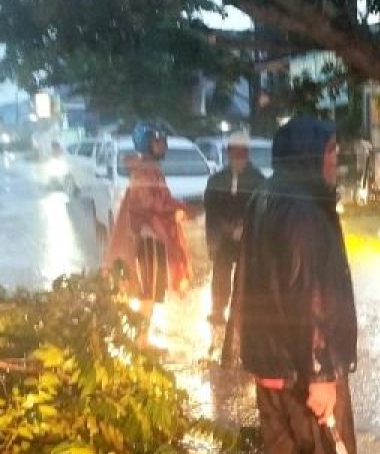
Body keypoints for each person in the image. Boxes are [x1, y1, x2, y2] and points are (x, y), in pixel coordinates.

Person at [231, 116, 359, 454]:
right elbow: (308, 291)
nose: (335, 159)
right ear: (310, 155)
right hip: (304, 373)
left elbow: (248, 282)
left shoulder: (265, 195)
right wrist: (320, 373)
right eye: (330, 150)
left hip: (270, 372)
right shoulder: (304, 207)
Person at [104, 123, 192, 335]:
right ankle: (140, 341)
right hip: (148, 241)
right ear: (147, 144)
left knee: (151, 292)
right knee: (147, 292)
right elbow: (152, 204)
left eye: (163, 141)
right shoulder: (145, 173)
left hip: (153, 239)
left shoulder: (150, 170)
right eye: (158, 142)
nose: (163, 146)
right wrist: (181, 208)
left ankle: (142, 338)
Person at [203, 131, 264, 328]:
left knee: (248, 274)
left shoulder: (258, 180)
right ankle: (218, 310)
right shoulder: (217, 180)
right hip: (223, 238)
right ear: (228, 154)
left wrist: (245, 226)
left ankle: (246, 312)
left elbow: (262, 209)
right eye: (234, 153)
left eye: (242, 153)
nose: (237, 158)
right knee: (221, 272)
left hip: (248, 237)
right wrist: (223, 228)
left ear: (247, 154)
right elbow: (210, 208)